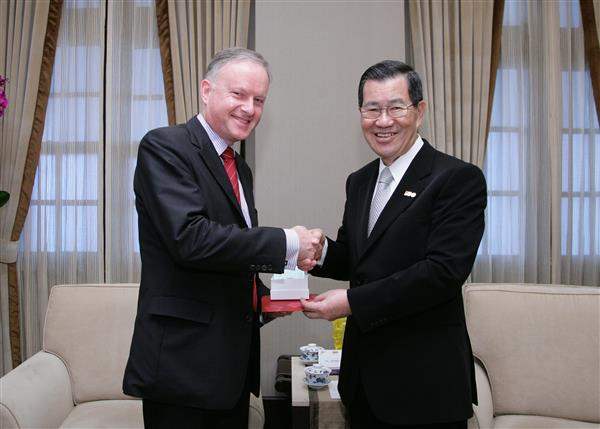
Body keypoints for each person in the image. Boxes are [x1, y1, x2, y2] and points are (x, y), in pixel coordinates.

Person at [122, 48, 322, 429]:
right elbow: (192, 239)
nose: (249, 108)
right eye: (239, 94)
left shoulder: (239, 167)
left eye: (259, 100)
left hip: (230, 371)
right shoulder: (166, 147)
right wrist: (289, 242)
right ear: (206, 90)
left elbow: (231, 255)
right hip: (182, 369)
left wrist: (265, 300)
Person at [302, 60, 487, 428]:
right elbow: (358, 259)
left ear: (419, 111)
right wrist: (318, 251)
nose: (383, 121)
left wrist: (352, 302)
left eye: (396, 107)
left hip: (424, 386)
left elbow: (442, 273)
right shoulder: (359, 181)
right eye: (372, 109)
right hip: (363, 382)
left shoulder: (457, 178)